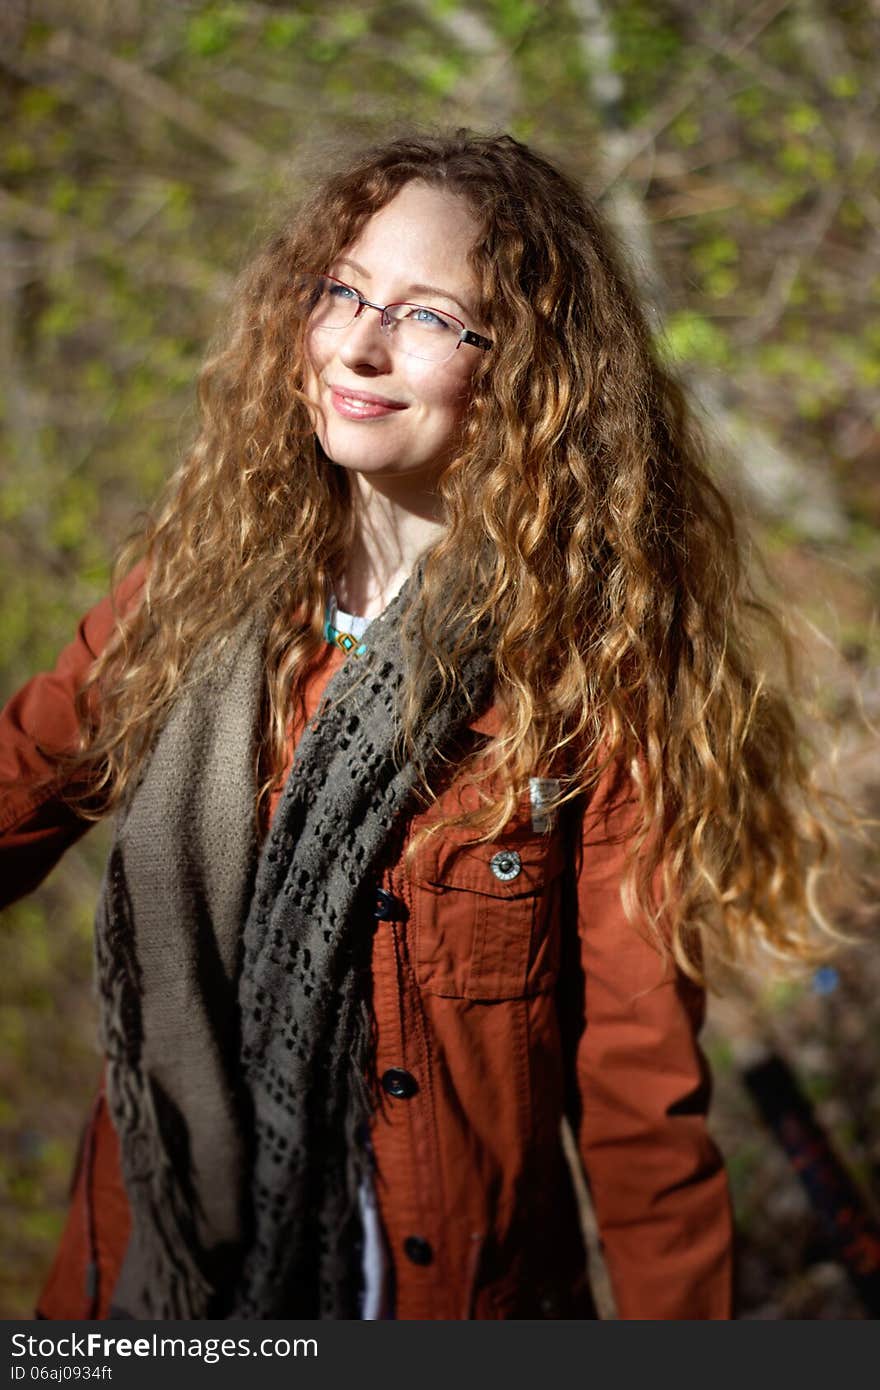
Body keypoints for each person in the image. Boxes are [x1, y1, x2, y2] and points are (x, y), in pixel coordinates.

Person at [0, 129, 851, 1321]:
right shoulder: (192, 602)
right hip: (148, 1289)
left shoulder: (582, 695)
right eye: (343, 292)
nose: (357, 342)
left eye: (427, 317)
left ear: (525, 372)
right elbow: (18, 783)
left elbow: (637, 1111)